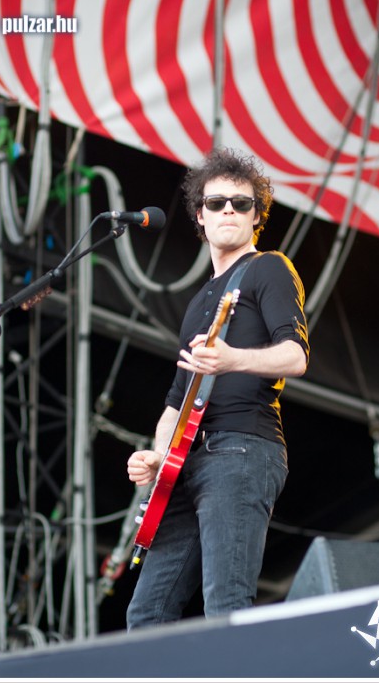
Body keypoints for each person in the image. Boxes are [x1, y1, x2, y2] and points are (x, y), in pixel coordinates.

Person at [126, 147, 309, 629]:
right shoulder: (198, 301)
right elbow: (176, 401)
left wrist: (233, 359)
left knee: (225, 604)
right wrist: (158, 458)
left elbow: (296, 355)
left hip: (242, 450)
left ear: (256, 216)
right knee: (146, 613)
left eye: (241, 203)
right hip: (187, 464)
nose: (229, 210)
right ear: (200, 216)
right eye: (216, 202)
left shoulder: (269, 268)